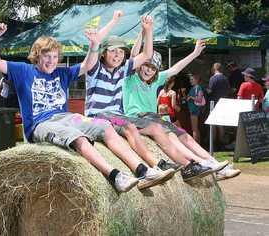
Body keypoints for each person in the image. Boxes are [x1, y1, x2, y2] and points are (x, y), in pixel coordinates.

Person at [0, 14, 174, 193]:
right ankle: (115, 176)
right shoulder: (23, 71)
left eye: (55, 57)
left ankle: (143, 171)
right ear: (37, 55)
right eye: (46, 56)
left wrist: (94, 45)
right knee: (77, 137)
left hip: (66, 117)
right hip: (41, 124)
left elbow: (86, 65)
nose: (51, 61)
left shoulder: (61, 73)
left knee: (105, 127)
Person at [84, 15, 228, 182]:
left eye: (120, 52)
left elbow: (151, 56)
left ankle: (193, 165)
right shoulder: (111, 73)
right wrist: (99, 40)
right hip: (105, 116)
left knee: (173, 132)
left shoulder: (122, 71)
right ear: (104, 53)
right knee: (141, 128)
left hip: (121, 117)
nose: (117, 55)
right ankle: (154, 167)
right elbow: (135, 54)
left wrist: (149, 29)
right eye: (113, 51)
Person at [207, 63, 230, 150]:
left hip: (214, 103)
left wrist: (205, 90)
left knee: (213, 124)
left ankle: (213, 144)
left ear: (214, 68)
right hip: (223, 102)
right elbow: (228, 89)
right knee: (221, 125)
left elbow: (210, 91)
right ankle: (222, 144)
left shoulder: (213, 78)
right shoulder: (225, 78)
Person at [187, 74, 205, 143]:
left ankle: (196, 145)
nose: (190, 81)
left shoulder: (198, 88)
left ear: (196, 80)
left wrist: (191, 97)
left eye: (192, 79)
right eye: (190, 79)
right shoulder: (193, 88)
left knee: (194, 129)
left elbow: (200, 99)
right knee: (195, 128)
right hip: (192, 109)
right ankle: (199, 144)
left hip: (194, 110)